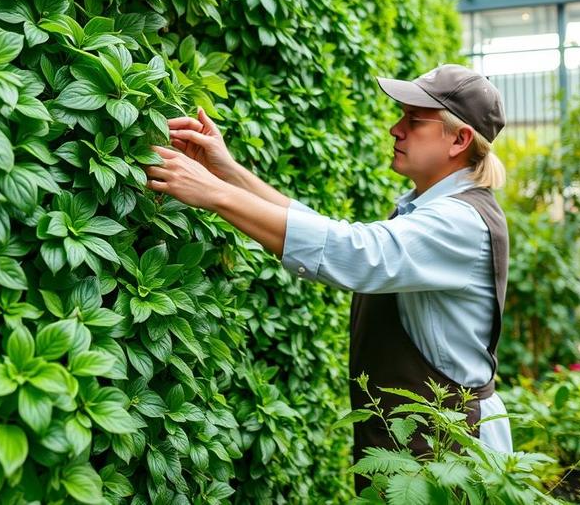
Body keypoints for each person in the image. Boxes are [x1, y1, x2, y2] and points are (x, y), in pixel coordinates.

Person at [144, 64, 512, 490]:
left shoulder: (458, 222)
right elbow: (330, 231)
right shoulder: (434, 210)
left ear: (460, 139)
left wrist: (213, 193)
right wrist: (229, 172)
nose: (395, 129)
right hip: (420, 447)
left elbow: (353, 252)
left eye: (413, 120)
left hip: (448, 452)